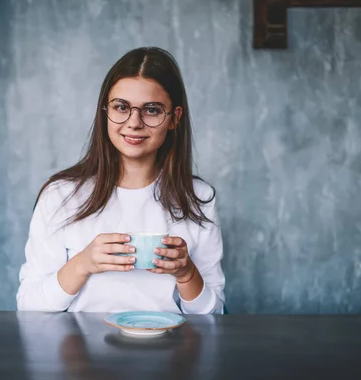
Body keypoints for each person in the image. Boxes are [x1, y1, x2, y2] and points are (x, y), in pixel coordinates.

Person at [16, 47, 225, 314]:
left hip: (168, 351)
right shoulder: (60, 195)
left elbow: (215, 313)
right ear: (105, 112)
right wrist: (83, 263)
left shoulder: (198, 198)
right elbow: (28, 305)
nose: (134, 122)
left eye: (151, 109)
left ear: (175, 119)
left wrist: (186, 273)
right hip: (81, 352)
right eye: (121, 107)